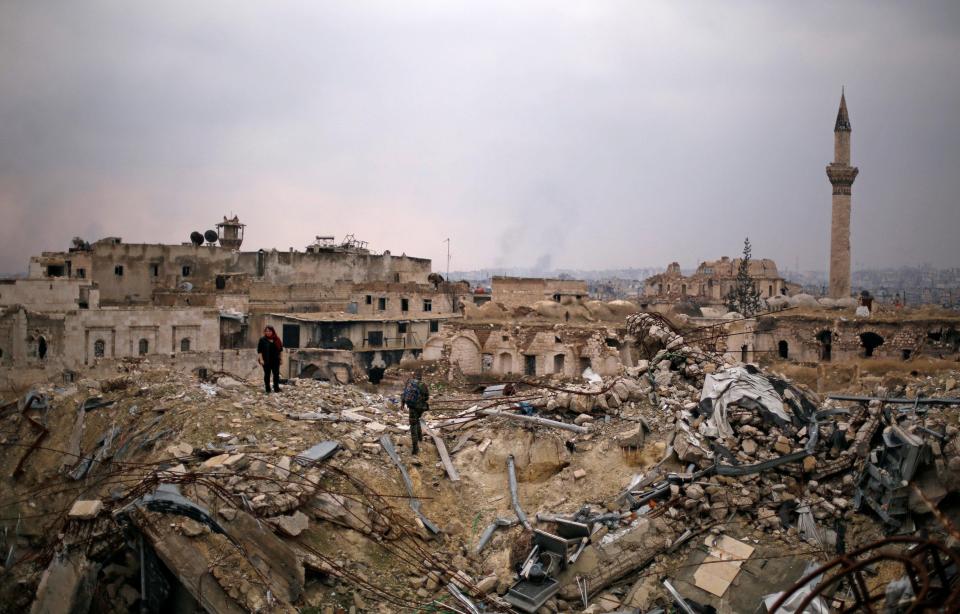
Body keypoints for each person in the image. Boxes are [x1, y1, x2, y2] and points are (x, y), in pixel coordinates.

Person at [401, 370, 430, 454]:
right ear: (421, 377)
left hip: (412, 407)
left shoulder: (409, 382)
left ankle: (416, 446)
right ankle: (418, 442)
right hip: (420, 407)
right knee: (417, 420)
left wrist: (402, 404)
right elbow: (426, 397)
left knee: (413, 424)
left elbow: (404, 394)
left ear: (413, 376)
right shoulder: (422, 385)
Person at [257, 326, 283, 393]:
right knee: (267, 374)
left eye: (269, 331)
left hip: (276, 360)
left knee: (276, 374)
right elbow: (259, 351)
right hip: (266, 360)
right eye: (266, 331)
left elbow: (280, 350)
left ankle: (276, 388)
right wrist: (261, 360)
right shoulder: (262, 340)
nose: (268, 332)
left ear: (273, 331)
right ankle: (267, 389)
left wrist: (281, 359)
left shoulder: (277, 339)